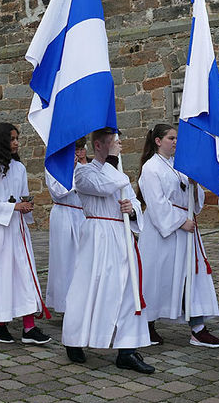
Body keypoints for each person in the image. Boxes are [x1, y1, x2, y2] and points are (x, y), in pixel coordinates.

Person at [62, 127, 154, 374]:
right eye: (113, 142)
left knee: (127, 289)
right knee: (88, 288)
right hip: (98, 235)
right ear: (99, 146)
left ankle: (127, 350)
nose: (119, 146)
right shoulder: (83, 172)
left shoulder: (118, 170)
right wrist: (113, 160)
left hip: (121, 235)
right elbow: (104, 186)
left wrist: (132, 210)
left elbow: (132, 199)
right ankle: (74, 339)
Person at [137, 124, 219, 348]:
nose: (175, 142)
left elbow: (192, 198)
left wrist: (194, 186)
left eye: (176, 138)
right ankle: (147, 323)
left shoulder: (180, 165)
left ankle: (198, 327)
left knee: (193, 277)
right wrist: (178, 221)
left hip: (186, 230)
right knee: (157, 278)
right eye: (171, 138)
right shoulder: (151, 168)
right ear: (158, 141)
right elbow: (155, 203)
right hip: (162, 234)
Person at [0, 123, 50, 344]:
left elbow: (23, 195)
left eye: (17, 138)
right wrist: (13, 208)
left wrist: (26, 205)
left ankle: (29, 327)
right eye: (12, 139)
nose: (16, 142)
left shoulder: (19, 168)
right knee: (3, 277)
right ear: (1, 141)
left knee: (24, 276)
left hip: (17, 231)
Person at [44, 139, 87, 314]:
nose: (78, 154)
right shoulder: (53, 167)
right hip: (64, 214)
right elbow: (59, 191)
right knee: (65, 261)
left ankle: (81, 301)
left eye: (80, 149)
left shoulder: (83, 168)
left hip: (81, 215)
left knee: (81, 260)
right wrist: (69, 169)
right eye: (75, 150)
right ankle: (64, 304)